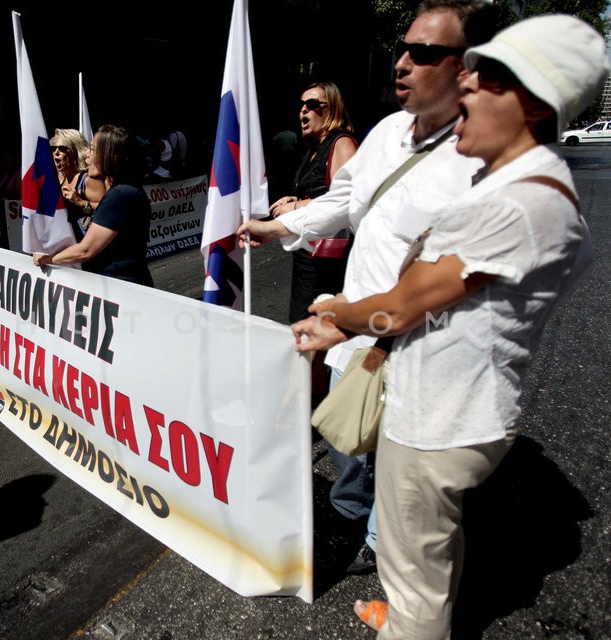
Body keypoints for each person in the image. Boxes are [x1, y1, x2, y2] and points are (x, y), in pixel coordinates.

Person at [290, 14, 607, 637]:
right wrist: (350, 321)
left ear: (533, 104)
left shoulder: (520, 200)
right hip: (444, 403)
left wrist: (334, 313)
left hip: (438, 418)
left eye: (482, 83)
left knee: (415, 570)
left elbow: (402, 306)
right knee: (424, 552)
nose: (463, 90)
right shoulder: (518, 186)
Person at [235, 0, 496, 577]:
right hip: (357, 327)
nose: (401, 63)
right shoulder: (386, 134)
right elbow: (342, 200)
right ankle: (353, 517)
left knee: (402, 459)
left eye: (423, 53)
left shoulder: (482, 158)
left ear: (467, 67)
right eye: (403, 49)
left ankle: (385, 548)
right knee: (350, 428)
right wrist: (278, 227)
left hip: (424, 341)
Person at [268, 82, 358, 404]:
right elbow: (319, 194)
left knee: (311, 331)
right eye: (301, 105)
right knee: (305, 328)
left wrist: (296, 206)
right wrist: (295, 199)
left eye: (312, 104)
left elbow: (346, 199)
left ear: (331, 108)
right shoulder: (315, 149)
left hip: (328, 261)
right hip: (310, 256)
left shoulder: (342, 143)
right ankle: (309, 405)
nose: (303, 111)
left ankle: (306, 408)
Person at [33, 124, 153, 287]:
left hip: (123, 286)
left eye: (93, 150)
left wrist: (47, 258)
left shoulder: (121, 194)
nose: (87, 156)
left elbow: (86, 250)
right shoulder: (121, 192)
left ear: (111, 156)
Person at [50, 128, 105, 238]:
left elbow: (108, 209)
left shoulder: (88, 180)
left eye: (62, 148)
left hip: (88, 243)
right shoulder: (58, 182)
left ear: (75, 151)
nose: (56, 152)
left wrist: (81, 202)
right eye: (53, 148)